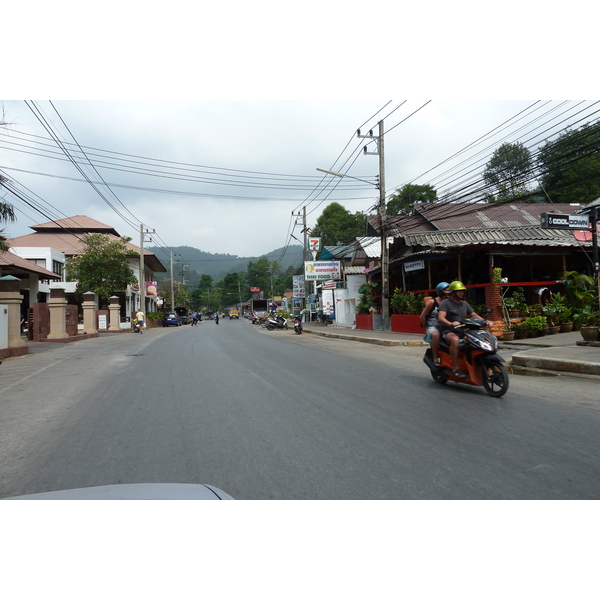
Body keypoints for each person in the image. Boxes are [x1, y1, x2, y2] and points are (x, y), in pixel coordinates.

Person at [437, 281, 487, 379]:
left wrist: (486, 321)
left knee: (476, 339)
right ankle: (455, 368)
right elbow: (441, 318)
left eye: (462, 291)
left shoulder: (464, 304)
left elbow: (474, 315)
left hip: (462, 330)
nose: (461, 293)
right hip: (448, 330)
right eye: (459, 291)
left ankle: (472, 364)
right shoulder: (446, 303)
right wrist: (451, 323)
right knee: (455, 341)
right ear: (453, 292)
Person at [420, 282, 450, 365]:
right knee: (436, 335)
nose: (448, 292)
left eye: (449, 290)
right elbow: (422, 316)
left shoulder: (450, 302)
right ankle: (435, 358)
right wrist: (426, 329)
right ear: (440, 291)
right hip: (433, 325)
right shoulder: (432, 302)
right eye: (446, 290)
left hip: (446, 325)